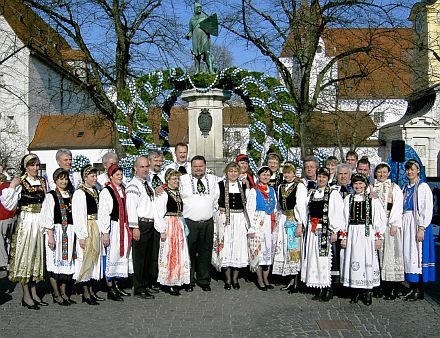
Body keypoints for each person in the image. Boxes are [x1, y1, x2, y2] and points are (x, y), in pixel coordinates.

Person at [1, 154, 47, 310]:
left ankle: (34, 293)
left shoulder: (42, 182)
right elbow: (8, 204)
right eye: (32, 165)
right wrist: (12, 186)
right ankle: (26, 295)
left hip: (39, 221)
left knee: (36, 258)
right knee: (25, 257)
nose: (35, 168)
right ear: (26, 166)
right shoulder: (21, 182)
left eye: (37, 165)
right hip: (26, 222)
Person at [340, 174, 385, 306]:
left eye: (361, 184)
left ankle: (367, 291)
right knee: (354, 259)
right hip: (353, 233)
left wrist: (378, 237)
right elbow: (344, 219)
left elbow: (378, 219)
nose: (358, 186)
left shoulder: (372, 200)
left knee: (367, 260)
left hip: (367, 234)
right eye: (356, 184)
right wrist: (344, 236)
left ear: (365, 185)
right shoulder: (348, 199)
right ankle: (355, 291)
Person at [301, 167, 344, 301]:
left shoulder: (333, 193)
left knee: (324, 258)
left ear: (328, 178)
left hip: (325, 229)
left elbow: (338, 213)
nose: (321, 179)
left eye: (324, 177)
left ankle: (328, 288)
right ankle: (320, 286)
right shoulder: (313, 194)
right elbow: (307, 211)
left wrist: (334, 230)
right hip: (313, 230)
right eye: (319, 176)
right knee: (315, 258)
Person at [180, 155, 219, 291]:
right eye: (195, 166)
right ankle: (188, 280)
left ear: (205, 166)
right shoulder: (183, 180)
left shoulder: (213, 180)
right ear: (191, 167)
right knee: (188, 253)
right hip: (190, 222)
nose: (198, 169)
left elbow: (216, 198)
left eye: (200, 166)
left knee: (205, 252)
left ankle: (204, 280)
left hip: (207, 222)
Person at [41, 168, 76, 306]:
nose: (64, 181)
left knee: (66, 264)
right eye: (61, 179)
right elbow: (47, 216)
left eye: (66, 179)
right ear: (55, 180)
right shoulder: (51, 196)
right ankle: (56, 293)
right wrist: (50, 236)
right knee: (54, 263)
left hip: (70, 232)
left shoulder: (71, 195)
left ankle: (64, 293)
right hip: (56, 231)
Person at [98, 163, 133, 301]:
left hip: (123, 227)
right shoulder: (107, 191)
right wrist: (105, 232)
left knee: (121, 256)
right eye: (117, 175)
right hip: (113, 227)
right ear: (110, 176)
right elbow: (103, 213)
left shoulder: (123, 189)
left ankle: (117, 285)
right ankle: (110, 287)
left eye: (121, 174)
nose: (120, 177)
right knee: (111, 256)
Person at [212, 162, 250, 290]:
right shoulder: (220, 185)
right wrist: (219, 210)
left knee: (238, 247)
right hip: (226, 220)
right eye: (230, 171)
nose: (233, 174)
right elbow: (214, 202)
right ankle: (227, 279)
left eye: (235, 171)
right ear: (226, 172)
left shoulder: (243, 185)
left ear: (239, 173)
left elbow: (248, 204)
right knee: (226, 246)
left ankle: (235, 279)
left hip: (239, 219)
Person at [401, 159, 435, 301]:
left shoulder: (423, 187)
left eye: (412, 169)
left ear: (418, 170)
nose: (410, 172)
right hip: (406, 222)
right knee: (408, 255)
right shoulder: (405, 188)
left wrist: (422, 227)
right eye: (408, 169)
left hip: (417, 223)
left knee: (417, 255)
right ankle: (412, 286)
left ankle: (419, 289)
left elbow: (427, 208)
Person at [370, 162, 404, 300]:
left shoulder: (394, 187)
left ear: (388, 173)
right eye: (379, 172)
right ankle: (379, 286)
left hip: (390, 225)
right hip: (377, 226)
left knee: (390, 256)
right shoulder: (372, 187)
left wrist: (395, 222)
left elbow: (397, 205)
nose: (382, 174)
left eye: (384, 172)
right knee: (377, 256)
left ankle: (392, 287)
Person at [154, 169, 191, 296]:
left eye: (177, 179)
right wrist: (162, 230)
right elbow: (158, 213)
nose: (176, 181)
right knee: (169, 253)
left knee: (179, 252)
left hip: (178, 225)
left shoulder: (177, 192)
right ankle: (168, 282)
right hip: (169, 225)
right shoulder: (163, 194)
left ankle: (177, 279)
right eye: (173, 179)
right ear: (167, 180)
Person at [272, 162, 307, 293]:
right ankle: (289, 279)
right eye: (285, 173)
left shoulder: (300, 187)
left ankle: (296, 281)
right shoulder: (281, 186)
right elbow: (278, 205)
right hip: (283, 219)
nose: (287, 175)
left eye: (289, 172)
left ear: (294, 173)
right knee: (285, 249)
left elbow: (301, 206)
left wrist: (300, 224)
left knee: (294, 249)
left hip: (294, 219)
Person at [125, 156, 157, 300]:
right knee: (139, 258)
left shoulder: (147, 183)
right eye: (142, 167)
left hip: (150, 223)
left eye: (146, 166)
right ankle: (138, 287)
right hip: (141, 224)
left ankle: (146, 283)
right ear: (135, 169)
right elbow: (131, 207)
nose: (145, 169)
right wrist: (135, 227)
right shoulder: (133, 185)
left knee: (148, 257)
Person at [72, 165, 104, 305]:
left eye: (96, 176)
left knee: (94, 257)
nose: (95, 178)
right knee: (86, 257)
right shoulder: (80, 193)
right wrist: (82, 235)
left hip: (96, 225)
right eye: (92, 176)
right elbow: (78, 215)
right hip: (87, 225)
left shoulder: (96, 190)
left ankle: (91, 290)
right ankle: (85, 292)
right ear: (85, 177)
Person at [246, 166, 277, 291]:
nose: (265, 177)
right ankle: (259, 279)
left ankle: (266, 278)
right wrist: (252, 227)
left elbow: (275, 207)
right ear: (259, 176)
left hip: (269, 221)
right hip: (258, 221)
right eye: (263, 174)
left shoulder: (272, 190)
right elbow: (250, 209)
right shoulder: (254, 191)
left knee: (268, 251)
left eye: (268, 174)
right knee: (259, 251)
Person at [185, 1, 215, 74]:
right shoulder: (191, 19)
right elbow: (190, 31)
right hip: (195, 37)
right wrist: (188, 35)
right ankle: (197, 70)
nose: (199, 9)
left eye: (200, 7)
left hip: (204, 36)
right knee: (196, 55)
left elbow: (211, 28)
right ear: (194, 9)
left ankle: (210, 69)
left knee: (207, 52)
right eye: (197, 7)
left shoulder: (205, 17)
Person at [0, 173, 17, 271]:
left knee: (1, 240)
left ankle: (4, 261)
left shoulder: (2, 188)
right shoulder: (9, 186)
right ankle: (9, 260)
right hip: (11, 216)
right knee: (8, 240)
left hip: (2, 217)